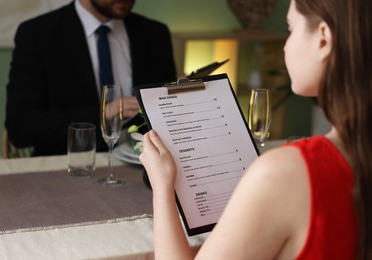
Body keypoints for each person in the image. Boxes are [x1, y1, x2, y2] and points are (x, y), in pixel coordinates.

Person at [139, 0, 372, 259]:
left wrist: (162, 184)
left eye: (290, 29)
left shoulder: (287, 173)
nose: (285, 45)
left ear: (323, 39)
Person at [5, 0, 176, 156]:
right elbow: (20, 127)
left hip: (145, 170)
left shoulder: (155, 34)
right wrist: (105, 113)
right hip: (64, 170)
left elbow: (170, 111)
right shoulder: (37, 34)